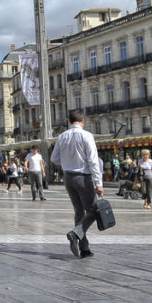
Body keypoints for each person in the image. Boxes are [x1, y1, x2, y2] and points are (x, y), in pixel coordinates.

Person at [51, 110, 103, 259]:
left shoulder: (62, 136)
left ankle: (84, 248)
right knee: (93, 211)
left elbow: (54, 158)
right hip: (83, 177)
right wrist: (98, 183)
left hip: (68, 177)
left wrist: (67, 163)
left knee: (79, 212)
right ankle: (76, 233)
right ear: (83, 121)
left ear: (69, 121)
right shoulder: (86, 135)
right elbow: (93, 161)